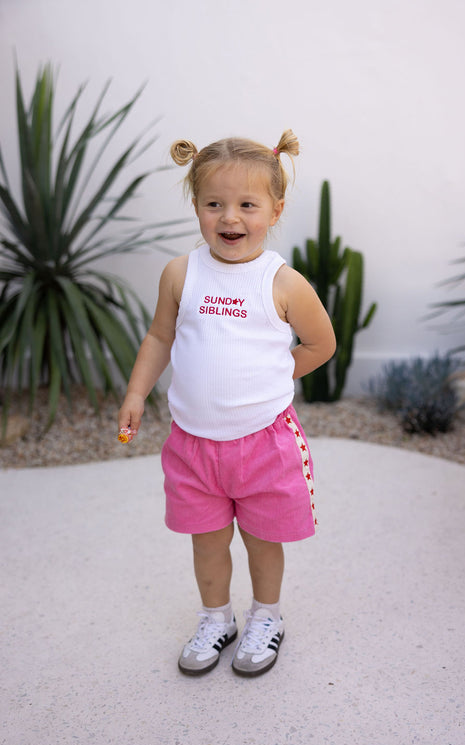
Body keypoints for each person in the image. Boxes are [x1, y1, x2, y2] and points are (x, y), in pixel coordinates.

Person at [118, 129, 336, 678]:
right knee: (208, 543)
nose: (229, 217)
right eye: (214, 204)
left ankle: (267, 616)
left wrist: (275, 375)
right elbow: (159, 339)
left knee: (263, 543)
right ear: (196, 206)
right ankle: (217, 617)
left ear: (275, 209)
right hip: (193, 445)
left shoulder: (282, 282)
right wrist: (136, 392)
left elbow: (321, 343)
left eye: (246, 205)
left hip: (265, 442)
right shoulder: (181, 274)